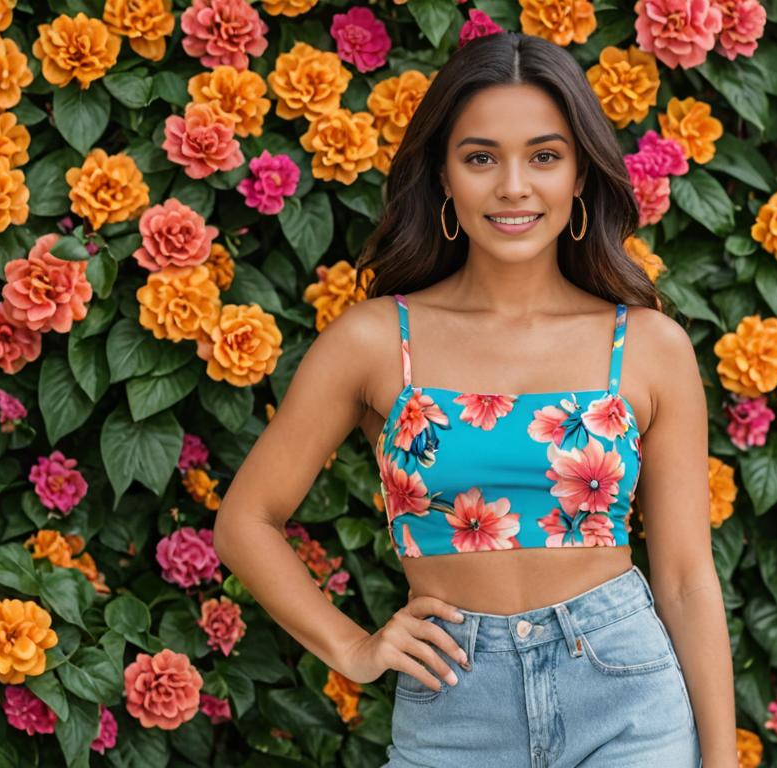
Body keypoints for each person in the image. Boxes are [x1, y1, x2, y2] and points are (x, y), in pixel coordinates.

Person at [213, 31, 736, 768]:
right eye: (481, 157)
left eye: (545, 156)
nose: (513, 185)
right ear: (445, 177)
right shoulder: (374, 341)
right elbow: (246, 521)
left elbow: (685, 577)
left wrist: (721, 763)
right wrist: (354, 648)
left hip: (625, 697)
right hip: (454, 704)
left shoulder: (649, 346)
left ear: (581, 175)